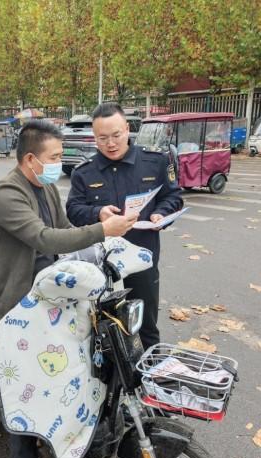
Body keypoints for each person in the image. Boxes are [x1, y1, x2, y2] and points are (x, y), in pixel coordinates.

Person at [0, 119, 138, 458]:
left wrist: (101, 225)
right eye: (53, 157)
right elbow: (44, 238)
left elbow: (65, 229)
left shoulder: (47, 187)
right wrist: (102, 230)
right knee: (24, 381)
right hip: (18, 301)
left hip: (53, 291)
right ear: (31, 159)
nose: (58, 163)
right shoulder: (6, 194)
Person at [66, 102, 183, 350]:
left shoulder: (154, 162)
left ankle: (148, 370)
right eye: (102, 138)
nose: (110, 143)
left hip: (142, 261)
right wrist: (98, 213)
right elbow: (74, 210)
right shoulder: (84, 172)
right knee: (100, 329)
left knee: (146, 327)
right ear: (95, 137)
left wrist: (160, 214)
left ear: (127, 129)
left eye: (116, 135)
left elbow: (173, 197)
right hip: (100, 267)